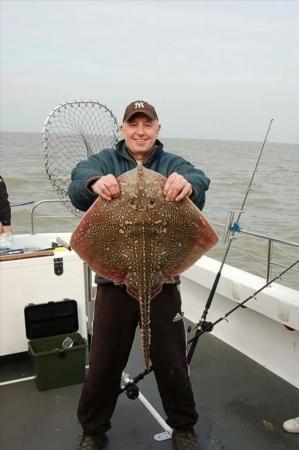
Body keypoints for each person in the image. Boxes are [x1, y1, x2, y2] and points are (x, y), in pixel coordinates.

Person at [68, 100, 211, 450]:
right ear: (123, 129)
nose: (141, 130)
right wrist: (92, 183)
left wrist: (189, 184)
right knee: (103, 360)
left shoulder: (170, 163)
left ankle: (183, 428)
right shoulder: (105, 161)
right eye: (134, 124)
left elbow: (200, 178)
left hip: (163, 278)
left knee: (172, 359)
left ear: (158, 129)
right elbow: (77, 181)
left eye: (148, 124)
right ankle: (92, 431)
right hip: (115, 278)